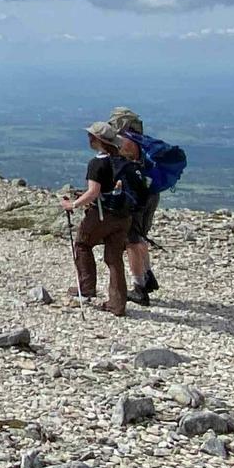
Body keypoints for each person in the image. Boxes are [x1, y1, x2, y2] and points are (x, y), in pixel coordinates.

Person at [57, 120, 132, 316]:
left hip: (101, 214)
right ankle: (118, 304)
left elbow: (93, 192)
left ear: (96, 140)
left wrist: (72, 205)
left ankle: (86, 288)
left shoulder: (97, 163)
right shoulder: (123, 160)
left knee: (82, 244)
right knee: (114, 258)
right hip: (124, 215)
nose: (88, 138)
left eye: (90, 136)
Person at [107, 106, 161, 305]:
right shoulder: (142, 141)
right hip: (151, 192)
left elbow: (121, 167)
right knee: (141, 235)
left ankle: (139, 288)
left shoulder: (124, 141)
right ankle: (147, 276)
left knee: (132, 240)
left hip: (135, 196)